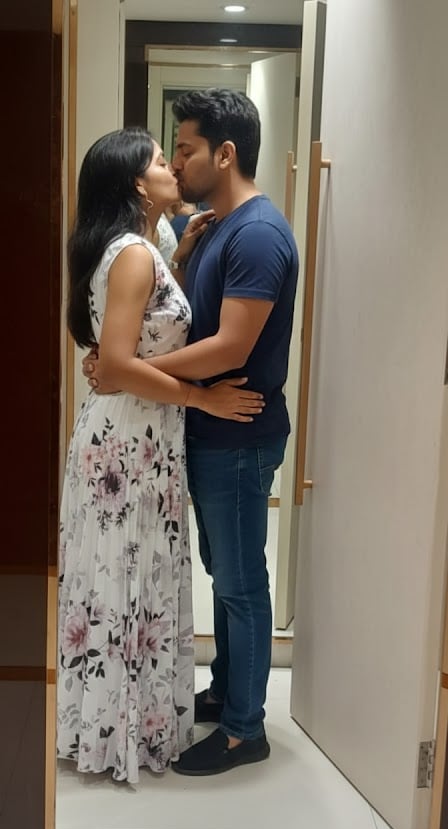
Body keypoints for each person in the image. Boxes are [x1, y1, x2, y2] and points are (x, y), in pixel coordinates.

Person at [83, 90, 299, 777]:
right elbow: (183, 321)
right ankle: (228, 692)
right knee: (222, 572)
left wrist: (126, 370)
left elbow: (230, 346)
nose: (175, 163)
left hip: (236, 431)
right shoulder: (214, 228)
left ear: (224, 153)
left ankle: (243, 731)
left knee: (238, 582)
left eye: (184, 148)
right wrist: (128, 361)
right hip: (206, 428)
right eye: (168, 153)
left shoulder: (258, 234)